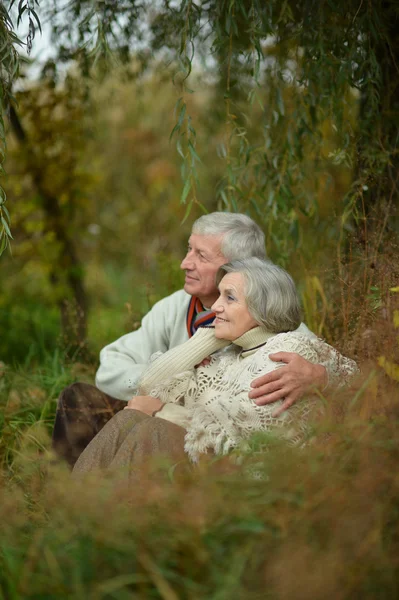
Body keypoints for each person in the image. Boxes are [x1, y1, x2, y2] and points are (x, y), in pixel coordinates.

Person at [53, 212, 334, 467]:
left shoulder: (274, 323)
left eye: (201, 256)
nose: (185, 263)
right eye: (189, 249)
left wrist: (321, 375)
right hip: (154, 411)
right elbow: (110, 368)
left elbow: (326, 366)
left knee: (152, 431)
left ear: (239, 267)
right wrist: (160, 386)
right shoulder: (175, 307)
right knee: (78, 398)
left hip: (202, 440)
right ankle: (77, 497)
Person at [72, 258, 358, 480]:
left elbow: (236, 428)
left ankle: (95, 526)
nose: (215, 307)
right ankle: (82, 516)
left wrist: (163, 412)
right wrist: (206, 337)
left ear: (262, 307)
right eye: (219, 297)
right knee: (132, 417)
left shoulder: (290, 350)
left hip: (256, 481)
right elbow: (149, 384)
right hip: (213, 468)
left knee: (152, 430)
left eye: (229, 298)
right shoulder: (230, 355)